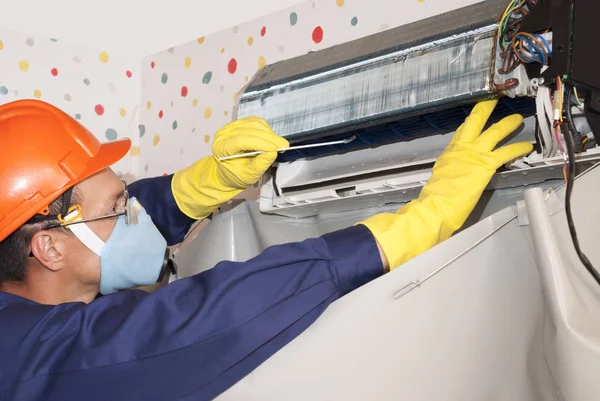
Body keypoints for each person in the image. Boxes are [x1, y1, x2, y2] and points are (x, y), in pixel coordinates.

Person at [0, 98, 532, 401]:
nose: (132, 213)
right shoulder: (31, 361)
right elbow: (200, 319)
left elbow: (93, 225)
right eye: (121, 207)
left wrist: (198, 186)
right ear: (48, 248)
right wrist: (415, 224)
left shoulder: (24, 291)